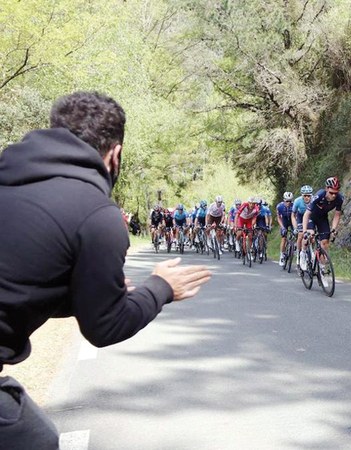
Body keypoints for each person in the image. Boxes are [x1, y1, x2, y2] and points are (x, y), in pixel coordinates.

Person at [0, 91, 211, 448]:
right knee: (37, 440)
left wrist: (82, 296)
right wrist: (161, 286)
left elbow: (17, 281)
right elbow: (105, 328)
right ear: (115, 154)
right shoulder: (96, 215)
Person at [301, 177, 343, 271]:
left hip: (323, 218)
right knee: (310, 235)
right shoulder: (319, 195)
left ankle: (322, 268)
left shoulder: (339, 198)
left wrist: (334, 229)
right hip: (311, 217)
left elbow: (337, 215)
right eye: (331, 192)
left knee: (325, 242)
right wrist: (304, 231)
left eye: (336, 193)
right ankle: (303, 253)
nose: (333, 196)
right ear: (327, 189)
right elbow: (306, 214)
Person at [291, 185, 313, 267]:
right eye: (305, 196)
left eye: (309, 196)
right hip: (300, 216)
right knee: (300, 235)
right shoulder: (297, 201)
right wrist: (295, 228)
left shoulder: (314, 200)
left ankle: (310, 251)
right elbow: (293, 215)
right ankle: (299, 254)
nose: (307, 197)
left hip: (310, 216)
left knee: (312, 236)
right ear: (302, 195)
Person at [276, 192, 294, 267]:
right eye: (287, 201)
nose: (288, 203)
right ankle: (282, 255)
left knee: (297, 233)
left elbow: (296, 216)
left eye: (290, 201)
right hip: (284, 221)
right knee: (283, 237)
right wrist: (282, 227)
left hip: (292, 220)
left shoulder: (294, 205)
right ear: (284, 200)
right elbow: (278, 218)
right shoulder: (279, 206)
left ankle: (294, 247)